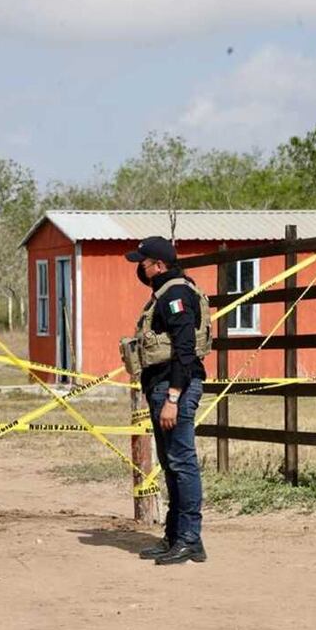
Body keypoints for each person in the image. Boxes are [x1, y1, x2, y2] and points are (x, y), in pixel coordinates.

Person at [123, 236, 208, 565]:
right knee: (171, 464)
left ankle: (190, 538)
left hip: (176, 389)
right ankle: (175, 535)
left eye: (142, 264)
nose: (140, 270)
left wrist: (173, 396)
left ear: (158, 265)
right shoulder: (166, 292)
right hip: (162, 387)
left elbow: (185, 350)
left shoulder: (175, 294)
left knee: (182, 464)